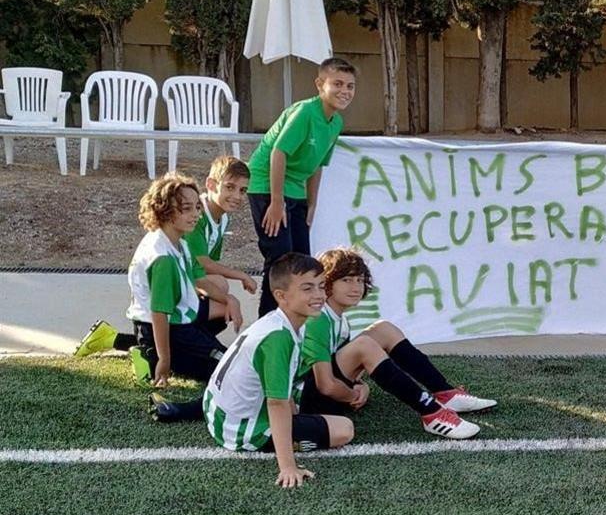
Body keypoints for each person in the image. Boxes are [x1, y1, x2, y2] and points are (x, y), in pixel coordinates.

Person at [300, 248, 494, 439]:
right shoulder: (318, 319)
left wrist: (361, 385)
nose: (356, 287)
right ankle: (432, 413)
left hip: (323, 392)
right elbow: (325, 385)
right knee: (364, 345)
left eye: (359, 280)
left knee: (383, 329)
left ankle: (444, 393)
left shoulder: (338, 318)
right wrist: (352, 395)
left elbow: (341, 363)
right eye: (346, 280)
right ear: (326, 284)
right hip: (306, 407)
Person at [203, 253, 355, 488]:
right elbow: (276, 403)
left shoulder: (278, 322)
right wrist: (288, 466)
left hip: (217, 410)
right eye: (307, 288)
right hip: (237, 429)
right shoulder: (278, 338)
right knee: (344, 430)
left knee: (301, 407)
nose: (318, 295)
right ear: (281, 296)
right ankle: (286, 448)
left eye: (321, 286)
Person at [247, 57, 357, 317]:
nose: (345, 91)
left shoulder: (336, 122)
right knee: (280, 259)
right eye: (337, 84)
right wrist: (276, 202)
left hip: (296, 191)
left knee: (301, 261)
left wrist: (312, 203)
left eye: (350, 86)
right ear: (320, 84)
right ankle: (269, 323)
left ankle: (294, 321)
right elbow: (278, 152)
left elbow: (317, 165)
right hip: (267, 185)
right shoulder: (305, 112)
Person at [123, 173, 234, 389]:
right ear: (164, 211)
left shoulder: (178, 242)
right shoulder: (162, 258)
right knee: (228, 370)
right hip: (166, 327)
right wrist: (164, 361)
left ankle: (154, 351)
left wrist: (230, 300)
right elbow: (159, 313)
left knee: (222, 333)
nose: (196, 215)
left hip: (179, 321)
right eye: (186, 209)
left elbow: (198, 279)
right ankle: (156, 355)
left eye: (197, 207)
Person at [183, 155, 255, 327]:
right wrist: (242, 275)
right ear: (211, 184)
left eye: (242, 191)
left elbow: (209, 264)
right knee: (220, 289)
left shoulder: (222, 219)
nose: (237, 196)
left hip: (186, 278)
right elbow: (203, 263)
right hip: (167, 282)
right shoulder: (197, 214)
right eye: (230, 187)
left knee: (220, 293)